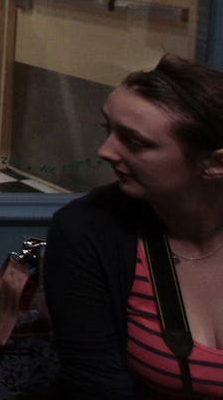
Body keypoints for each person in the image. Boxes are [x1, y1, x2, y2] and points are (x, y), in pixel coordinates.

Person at [44, 54, 223, 399]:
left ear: (216, 163)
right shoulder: (87, 231)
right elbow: (96, 388)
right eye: (108, 129)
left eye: (135, 142)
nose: (106, 150)